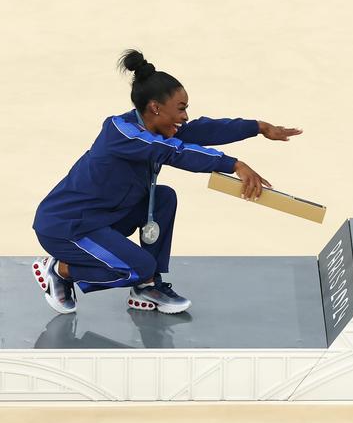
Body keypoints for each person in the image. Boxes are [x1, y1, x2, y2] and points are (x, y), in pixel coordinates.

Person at [31, 49, 301, 315]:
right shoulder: (120, 131)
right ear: (155, 108)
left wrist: (258, 127)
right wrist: (235, 165)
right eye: (181, 109)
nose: (185, 116)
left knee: (164, 197)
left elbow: (203, 129)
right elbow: (173, 152)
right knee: (139, 266)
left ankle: (147, 287)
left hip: (103, 217)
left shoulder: (157, 126)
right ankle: (60, 269)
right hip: (67, 226)